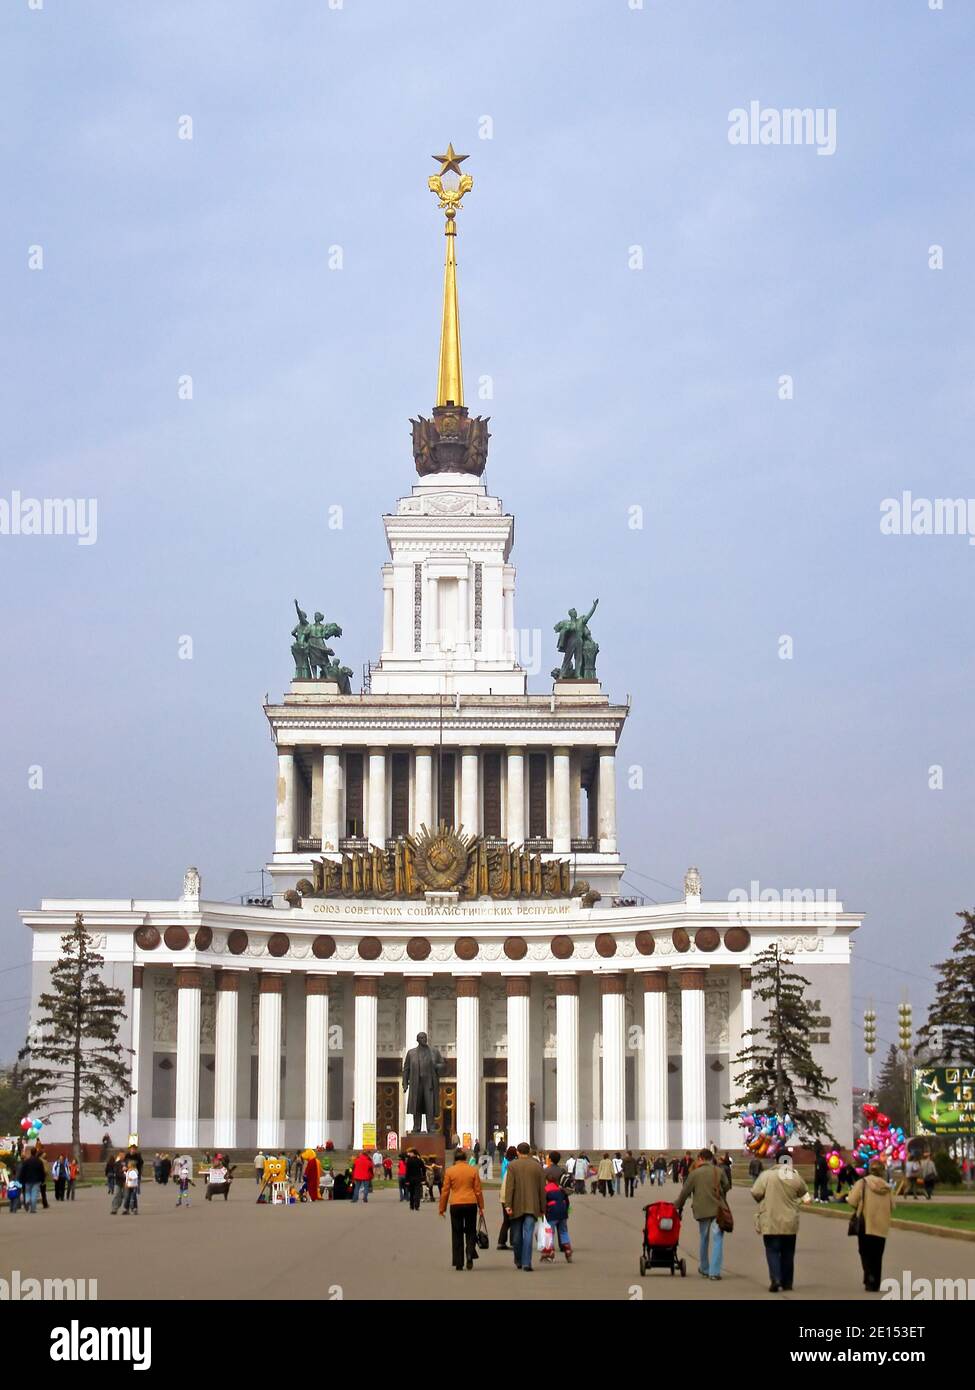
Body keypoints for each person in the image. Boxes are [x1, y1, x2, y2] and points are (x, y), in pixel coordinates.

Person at [751, 1151, 811, 1292]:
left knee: (772, 1250)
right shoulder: (794, 1176)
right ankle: (787, 1282)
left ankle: (776, 1278)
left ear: (776, 1161)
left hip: (771, 1219)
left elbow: (756, 1192)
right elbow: (803, 1192)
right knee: (788, 1252)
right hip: (790, 1220)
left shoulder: (767, 1176)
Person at [676, 1149, 731, 1281]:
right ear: (711, 1158)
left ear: (700, 1158)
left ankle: (704, 1268)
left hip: (702, 1210)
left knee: (704, 1239)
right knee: (718, 1239)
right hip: (718, 1210)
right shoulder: (718, 1171)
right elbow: (727, 1186)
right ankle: (715, 1272)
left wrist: (677, 1205)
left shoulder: (694, 1174)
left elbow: (685, 1192)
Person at [847, 1159, 895, 1292]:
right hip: (881, 1224)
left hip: (866, 1223)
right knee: (877, 1255)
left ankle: (869, 1278)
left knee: (865, 1252)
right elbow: (893, 1206)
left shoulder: (862, 1183)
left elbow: (852, 1201)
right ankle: (875, 1282)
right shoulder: (886, 1186)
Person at [500, 1142, 546, 1272]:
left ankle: (518, 1260)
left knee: (516, 1234)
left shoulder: (512, 1165)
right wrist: (543, 1207)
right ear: (530, 1151)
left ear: (518, 1153)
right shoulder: (537, 1166)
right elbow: (542, 1189)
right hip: (532, 1205)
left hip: (516, 1205)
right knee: (528, 1234)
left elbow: (510, 1187)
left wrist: (508, 1204)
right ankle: (527, 1263)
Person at [439, 1148, 485, 1271]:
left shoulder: (450, 1171)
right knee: (470, 1230)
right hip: (471, 1203)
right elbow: (478, 1190)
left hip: (456, 1204)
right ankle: (470, 1254)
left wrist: (442, 1208)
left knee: (457, 1232)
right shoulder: (473, 1170)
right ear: (465, 1158)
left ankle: (458, 1262)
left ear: (455, 1159)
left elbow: (445, 1191)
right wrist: (481, 1207)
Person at [543, 1174, 573, 1262]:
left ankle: (550, 1252)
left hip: (552, 1213)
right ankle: (567, 1250)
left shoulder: (546, 1190)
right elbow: (567, 1202)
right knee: (563, 1232)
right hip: (563, 1213)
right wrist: (566, 1212)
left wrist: (543, 1213)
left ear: (547, 1181)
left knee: (550, 1233)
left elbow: (544, 1203)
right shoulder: (561, 1189)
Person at [498, 1145, 517, 1247]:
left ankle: (501, 1242)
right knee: (513, 1220)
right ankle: (513, 1242)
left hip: (503, 1192)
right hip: (510, 1195)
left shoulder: (505, 1161)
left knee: (506, 1220)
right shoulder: (514, 1166)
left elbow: (503, 1175)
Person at [18, 1149, 45, 1214]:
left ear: (30, 1153)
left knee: (27, 1192)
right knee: (34, 1194)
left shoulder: (26, 1161)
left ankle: (27, 1201)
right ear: (36, 1153)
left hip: (27, 1180)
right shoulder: (39, 1161)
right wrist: (42, 1179)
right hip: (36, 1180)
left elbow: (23, 1171)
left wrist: (21, 1179)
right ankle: (33, 1209)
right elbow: (42, 1171)